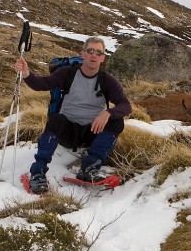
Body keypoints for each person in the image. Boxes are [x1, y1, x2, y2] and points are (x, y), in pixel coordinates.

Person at [14, 36, 132, 194]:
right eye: (90, 51)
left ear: (103, 58)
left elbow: (126, 106)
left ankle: (89, 168)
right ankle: (38, 173)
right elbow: (41, 84)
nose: (93, 55)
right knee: (56, 119)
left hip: (93, 132)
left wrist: (108, 113)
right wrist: (26, 73)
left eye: (98, 52)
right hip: (68, 133)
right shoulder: (67, 73)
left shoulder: (107, 81)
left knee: (116, 122)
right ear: (82, 54)